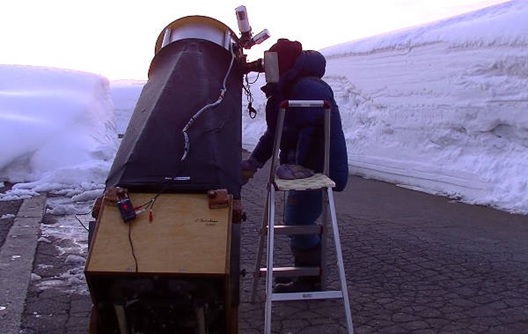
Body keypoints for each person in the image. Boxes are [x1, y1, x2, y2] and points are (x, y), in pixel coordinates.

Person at [242, 38, 349, 292]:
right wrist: (254, 162)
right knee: (296, 219)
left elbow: (311, 127)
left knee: (297, 219)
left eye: (271, 64)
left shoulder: (309, 87)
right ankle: (307, 274)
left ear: (284, 64)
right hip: (305, 169)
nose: (268, 70)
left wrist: (300, 166)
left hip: (318, 169)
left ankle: (311, 280)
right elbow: (276, 132)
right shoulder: (292, 87)